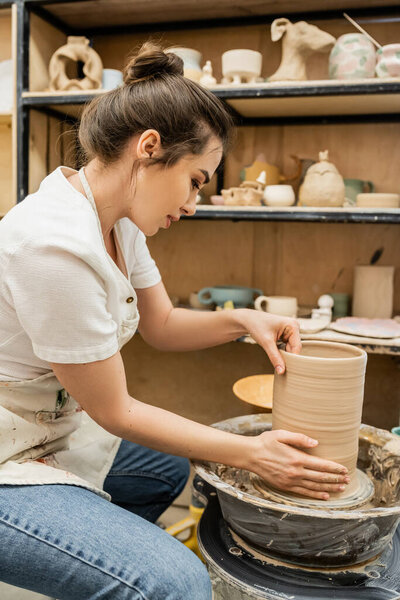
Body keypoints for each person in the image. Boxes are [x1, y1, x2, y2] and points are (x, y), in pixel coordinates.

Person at [0, 43, 350, 599]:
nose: (193, 204)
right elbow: (116, 411)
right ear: (149, 148)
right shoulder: (53, 244)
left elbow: (160, 323)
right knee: (175, 581)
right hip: (6, 452)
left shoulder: (120, 220)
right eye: (196, 180)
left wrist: (241, 322)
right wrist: (253, 452)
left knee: (164, 468)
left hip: (48, 423)